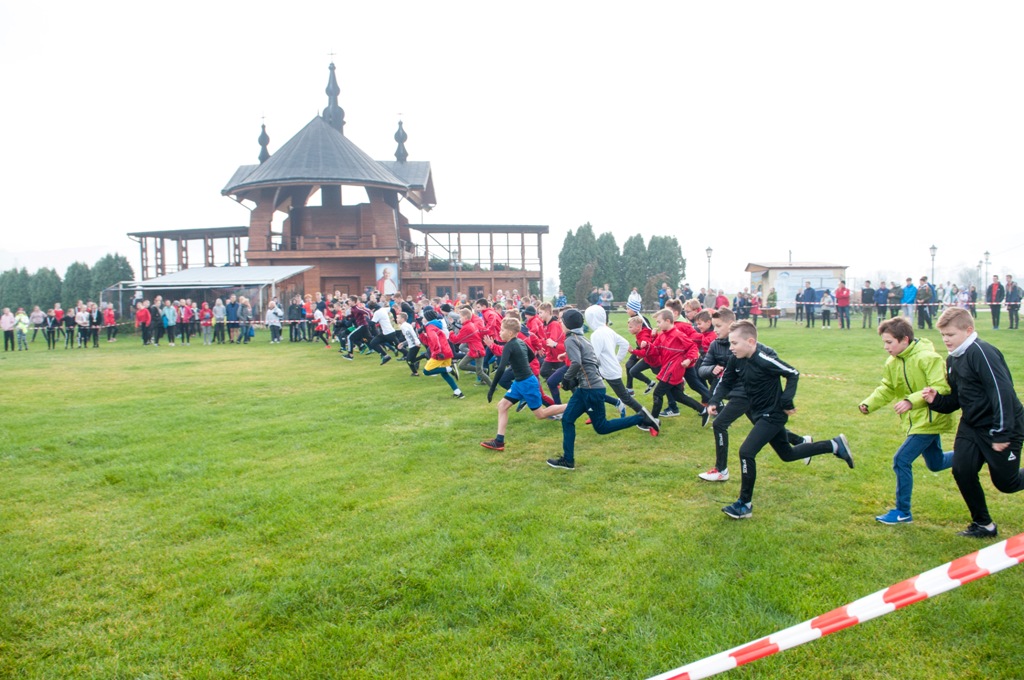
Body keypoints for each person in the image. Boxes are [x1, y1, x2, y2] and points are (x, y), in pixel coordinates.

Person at [707, 320, 854, 519]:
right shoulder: (736, 359)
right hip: (758, 412)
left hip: (773, 415)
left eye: (734, 343)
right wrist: (714, 400)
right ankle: (834, 445)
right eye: (730, 343)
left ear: (750, 342)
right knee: (787, 454)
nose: (731, 347)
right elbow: (726, 382)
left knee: (746, 452)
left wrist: (786, 400)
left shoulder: (763, 359)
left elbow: (792, 373)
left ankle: (744, 504)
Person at [923, 308, 1024, 538]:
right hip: (971, 426)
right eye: (943, 335)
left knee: (1006, 483)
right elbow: (957, 399)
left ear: (968, 330)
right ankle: (984, 525)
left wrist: (1002, 432)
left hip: (1001, 425)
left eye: (950, 334)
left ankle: (985, 522)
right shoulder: (953, 359)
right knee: (962, 470)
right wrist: (936, 400)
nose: (946, 340)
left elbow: (1002, 392)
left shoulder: (982, 352)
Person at [858, 316, 954, 524]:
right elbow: (887, 388)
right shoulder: (893, 362)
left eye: (889, 342)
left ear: (905, 340)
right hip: (916, 421)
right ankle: (974, 453)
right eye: (884, 342)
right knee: (936, 463)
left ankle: (903, 512)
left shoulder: (928, 358)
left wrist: (911, 401)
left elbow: (941, 387)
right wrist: (868, 404)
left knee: (901, 460)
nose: (885, 347)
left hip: (930, 420)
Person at [697, 308, 812, 482]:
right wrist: (711, 370)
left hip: (745, 395)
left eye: (719, 326)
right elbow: (703, 369)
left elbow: (778, 366)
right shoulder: (715, 345)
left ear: (732, 325)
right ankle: (801, 441)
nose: (715, 330)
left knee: (720, 424)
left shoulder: (754, 347)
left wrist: (784, 399)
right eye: (714, 326)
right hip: (736, 393)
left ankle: (721, 470)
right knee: (762, 427)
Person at [544, 309, 659, 470]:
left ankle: (641, 418)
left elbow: (577, 363)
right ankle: (568, 461)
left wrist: (566, 379)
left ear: (568, 324)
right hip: (586, 389)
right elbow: (590, 360)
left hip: (591, 389)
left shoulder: (571, 340)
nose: (560, 323)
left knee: (602, 427)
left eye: (562, 321)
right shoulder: (581, 338)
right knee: (567, 419)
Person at [480, 317, 566, 451]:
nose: (500, 332)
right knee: (502, 406)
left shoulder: (510, 345)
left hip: (527, 383)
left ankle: (575, 404)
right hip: (520, 382)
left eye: (502, 330)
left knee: (540, 414)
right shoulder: (520, 342)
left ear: (510, 333)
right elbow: (531, 356)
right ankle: (499, 441)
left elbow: (501, 368)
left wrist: (491, 389)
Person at [420, 307, 464, 399]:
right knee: (444, 374)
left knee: (426, 371)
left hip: (440, 353)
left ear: (427, 318)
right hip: (446, 351)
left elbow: (434, 339)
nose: (422, 319)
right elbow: (429, 342)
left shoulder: (430, 327)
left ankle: (449, 369)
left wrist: (437, 352)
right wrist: (421, 334)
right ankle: (458, 392)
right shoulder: (435, 325)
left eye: (424, 317)